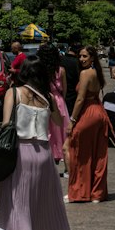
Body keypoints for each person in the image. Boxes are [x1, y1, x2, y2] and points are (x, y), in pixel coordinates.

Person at [0, 58, 70, 230]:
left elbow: (6, 123)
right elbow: (58, 121)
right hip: (43, 154)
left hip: (21, 151)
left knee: (18, 202)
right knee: (36, 201)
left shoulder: (15, 92)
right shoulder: (47, 97)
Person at [67, 46, 111, 202]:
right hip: (99, 112)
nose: (81, 59)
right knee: (98, 154)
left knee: (79, 152)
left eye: (85, 56)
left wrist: (72, 120)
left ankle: (80, 191)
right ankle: (96, 193)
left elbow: (80, 99)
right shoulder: (97, 73)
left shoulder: (85, 73)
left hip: (88, 113)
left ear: (92, 58)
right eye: (80, 56)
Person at [40, 43, 71, 176]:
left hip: (44, 101)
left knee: (47, 133)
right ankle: (66, 167)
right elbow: (64, 89)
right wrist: (60, 101)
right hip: (58, 101)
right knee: (62, 134)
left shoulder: (39, 69)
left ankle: (48, 163)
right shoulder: (61, 70)